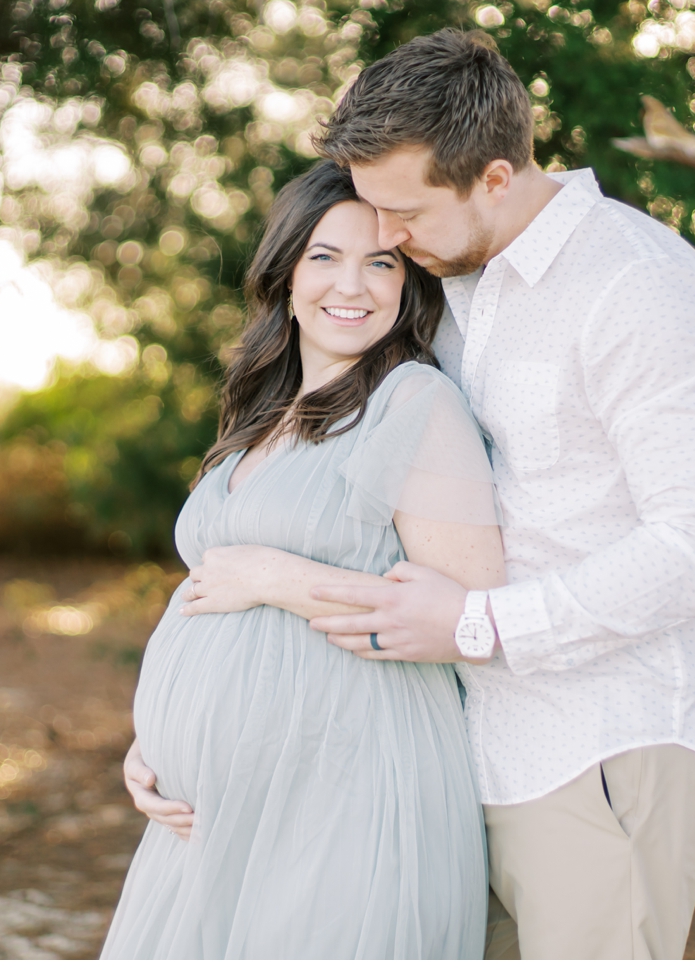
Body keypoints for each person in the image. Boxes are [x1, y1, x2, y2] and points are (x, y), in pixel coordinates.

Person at [132, 29, 695, 959]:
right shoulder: (462, 282)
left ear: (495, 178)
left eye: (400, 214)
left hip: (604, 739)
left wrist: (480, 625)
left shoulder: (638, 287)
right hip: (474, 746)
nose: (383, 236)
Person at [101, 159, 503, 959]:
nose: (351, 284)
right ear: (286, 272)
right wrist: (158, 740)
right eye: (325, 256)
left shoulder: (413, 402)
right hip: (214, 817)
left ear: (406, 282)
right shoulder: (261, 414)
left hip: (346, 788)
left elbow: (475, 609)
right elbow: (212, 596)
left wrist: (280, 580)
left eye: (380, 262)